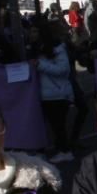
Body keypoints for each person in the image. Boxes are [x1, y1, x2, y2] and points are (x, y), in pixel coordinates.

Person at [29, 20, 76, 162]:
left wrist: (40, 65)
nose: (31, 34)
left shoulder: (57, 49)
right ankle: (54, 148)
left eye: (35, 31)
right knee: (50, 124)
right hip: (43, 93)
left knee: (58, 125)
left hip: (57, 93)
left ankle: (65, 151)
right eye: (31, 31)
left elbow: (63, 70)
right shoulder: (34, 48)